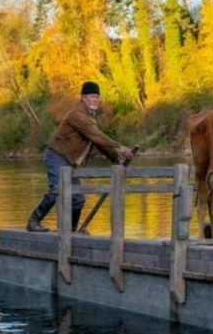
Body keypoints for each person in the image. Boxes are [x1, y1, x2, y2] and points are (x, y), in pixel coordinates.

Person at [26, 81, 136, 233]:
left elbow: (96, 141)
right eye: (91, 97)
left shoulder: (88, 116)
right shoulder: (78, 115)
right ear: (83, 98)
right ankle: (33, 221)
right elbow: (97, 136)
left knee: (78, 199)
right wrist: (120, 148)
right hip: (56, 156)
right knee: (57, 190)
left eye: (97, 97)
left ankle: (70, 232)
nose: (95, 100)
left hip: (68, 160)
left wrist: (116, 158)